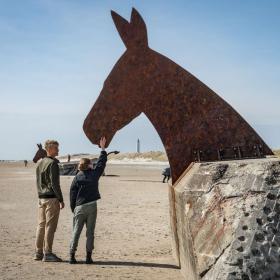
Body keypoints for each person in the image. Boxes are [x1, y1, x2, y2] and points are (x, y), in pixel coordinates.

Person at [69, 136, 107, 264]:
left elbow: (72, 194)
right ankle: (88, 257)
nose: (93, 164)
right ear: (89, 165)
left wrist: (73, 208)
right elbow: (101, 164)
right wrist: (102, 149)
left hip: (79, 207)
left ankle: (72, 256)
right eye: (91, 163)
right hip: (91, 207)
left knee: (76, 231)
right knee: (90, 233)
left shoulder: (77, 177)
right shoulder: (94, 175)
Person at [34, 140, 64, 262]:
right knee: (50, 226)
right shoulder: (52, 163)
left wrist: (40, 195)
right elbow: (55, 184)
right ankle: (48, 253)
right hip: (51, 198)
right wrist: (61, 199)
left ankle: (38, 252)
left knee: (41, 225)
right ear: (49, 149)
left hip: (41, 197)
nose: (58, 150)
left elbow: (37, 182)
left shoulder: (40, 163)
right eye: (56, 148)